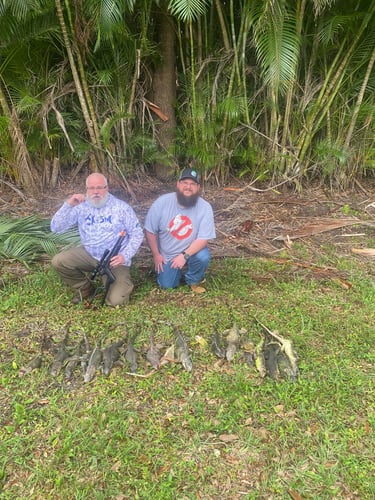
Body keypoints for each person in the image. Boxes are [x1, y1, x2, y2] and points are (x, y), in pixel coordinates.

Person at [50, 172, 144, 306]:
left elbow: (137, 234)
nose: (96, 192)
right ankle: (85, 288)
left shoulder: (121, 208)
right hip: (89, 255)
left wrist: (124, 256)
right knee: (59, 261)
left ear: (107, 188)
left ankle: (116, 281)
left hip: (114, 260)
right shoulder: (80, 206)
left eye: (100, 187)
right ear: (87, 189)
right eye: (91, 188)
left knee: (116, 301)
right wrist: (68, 205)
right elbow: (56, 227)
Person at [144, 167, 216, 292]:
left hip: (191, 251)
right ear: (178, 184)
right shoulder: (161, 203)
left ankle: (193, 279)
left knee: (202, 257)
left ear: (198, 187)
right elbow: (150, 230)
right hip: (168, 254)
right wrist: (156, 254)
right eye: (185, 183)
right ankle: (173, 272)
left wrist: (184, 256)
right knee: (167, 285)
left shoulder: (205, 207)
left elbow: (203, 239)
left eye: (193, 184)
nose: (188, 187)